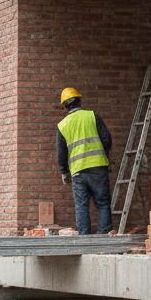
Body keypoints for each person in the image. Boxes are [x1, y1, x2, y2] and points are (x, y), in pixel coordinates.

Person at [56, 87, 113, 235]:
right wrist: (105, 155)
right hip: (98, 167)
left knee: (81, 206)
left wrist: (64, 171)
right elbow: (107, 139)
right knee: (102, 203)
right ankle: (104, 237)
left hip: (78, 171)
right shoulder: (92, 116)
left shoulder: (62, 125)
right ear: (79, 100)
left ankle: (84, 239)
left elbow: (61, 153)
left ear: (64, 106)